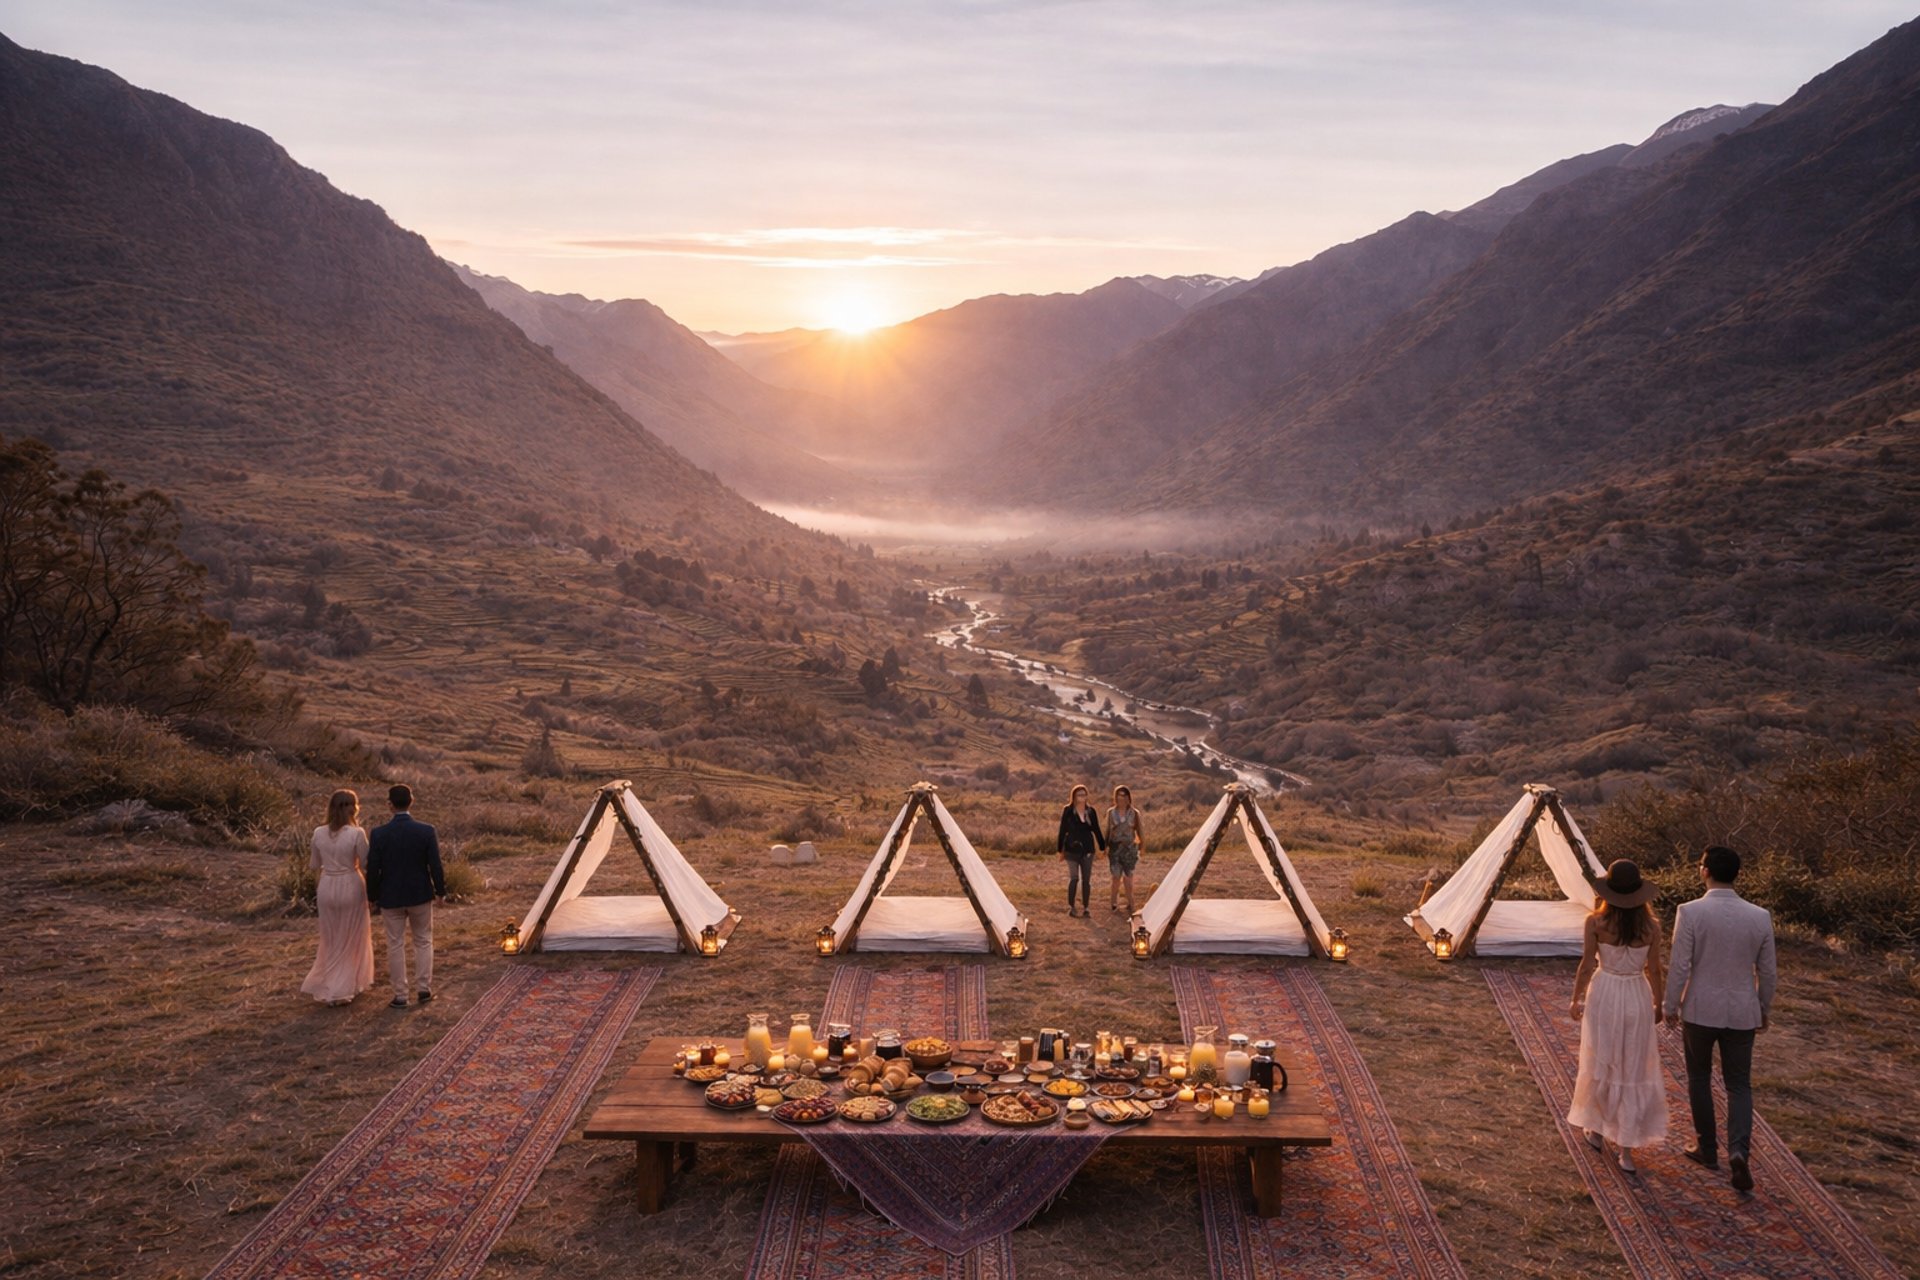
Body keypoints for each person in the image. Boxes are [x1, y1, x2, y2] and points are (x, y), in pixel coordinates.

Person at [1663, 844, 1776, 1193]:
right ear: (1737, 874)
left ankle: (1706, 1148)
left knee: (1698, 1078)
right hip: (1742, 1010)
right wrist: (1763, 1007)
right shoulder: (1760, 916)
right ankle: (1739, 1151)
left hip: (1701, 1008)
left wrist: (1670, 1006)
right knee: (1739, 1084)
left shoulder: (1690, 911)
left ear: (1705, 871)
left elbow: (1681, 964)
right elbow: (1768, 971)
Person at [1566, 860, 1667, 1172]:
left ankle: (1595, 1131)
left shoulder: (1595, 923)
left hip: (1605, 992)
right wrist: (1659, 1004)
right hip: (1636, 994)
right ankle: (1625, 1151)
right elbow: (1655, 970)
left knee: (1601, 1057)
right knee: (1631, 1064)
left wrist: (1576, 998)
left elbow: (1585, 965)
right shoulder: (1651, 927)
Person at [366, 783, 445, 1010]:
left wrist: (372, 896)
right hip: (420, 893)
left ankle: (400, 995)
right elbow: (435, 865)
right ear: (412, 801)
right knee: (423, 940)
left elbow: (373, 869)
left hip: (391, 896)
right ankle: (424, 988)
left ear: (389, 805)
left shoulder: (379, 834)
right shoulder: (426, 830)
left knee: (395, 944)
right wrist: (441, 891)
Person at [300, 789, 374, 1006]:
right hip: (350, 883)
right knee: (350, 936)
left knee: (331, 937)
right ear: (353, 807)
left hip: (327, 884)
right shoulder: (357, 833)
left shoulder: (318, 832)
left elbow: (314, 864)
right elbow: (367, 862)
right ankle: (342, 987)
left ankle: (331, 981)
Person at [1055, 783, 1105, 918]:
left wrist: (1102, 846)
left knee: (1086, 880)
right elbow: (1062, 830)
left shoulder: (1091, 811)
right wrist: (1060, 849)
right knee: (1074, 878)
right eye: (1079, 795)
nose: (1082, 797)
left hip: (1088, 850)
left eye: (1084, 794)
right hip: (1071, 850)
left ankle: (1086, 907)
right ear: (1074, 796)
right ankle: (1071, 906)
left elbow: (1096, 829)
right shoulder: (1068, 811)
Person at [1106, 785, 1145, 916]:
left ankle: (1131, 903)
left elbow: (1140, 831)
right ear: (1115, 797)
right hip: (1115, 848)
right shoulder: (1111, 812)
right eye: (1119, 795)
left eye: (1124, 795)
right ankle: (1113, 902)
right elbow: (1107, 830)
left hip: (1129, 850)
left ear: (1128, 797)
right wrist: (1104, 846)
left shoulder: (1135, 813)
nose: (1121, 798)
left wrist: (1142, 846)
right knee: (1116, 877)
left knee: (1128, 878)